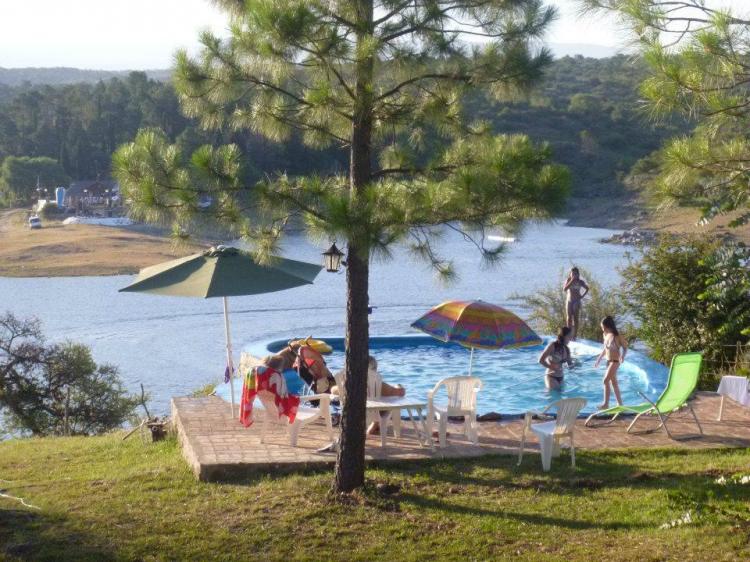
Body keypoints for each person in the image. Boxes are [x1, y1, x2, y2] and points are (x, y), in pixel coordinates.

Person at [331, 355, 405, 434]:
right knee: (391, 403)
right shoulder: (378, 384)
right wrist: (399, 387)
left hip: (352, 414)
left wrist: (341, 386)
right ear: (374, 371)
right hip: (372, 414)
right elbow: (399, 392)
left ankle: (372, 424)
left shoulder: (348, 384)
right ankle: (375, 423)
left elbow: (332, 390)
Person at [594, 315, 628, 409]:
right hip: (608, 362)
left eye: (602, 326)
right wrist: (599, 359)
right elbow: (605, 349)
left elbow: (625, 347)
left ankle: (606, 404)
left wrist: (622, 356)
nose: (601, 328)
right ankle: (620, 404)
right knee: (614, 383)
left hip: (615, 361)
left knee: (605, 381)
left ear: (606, 326)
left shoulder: (617, 336)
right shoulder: (605, 335)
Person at [563, 267, 589, 340]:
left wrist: (582, 296)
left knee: (575, 319)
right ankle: (569, 335)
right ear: (570, 274)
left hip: (576, 301)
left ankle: (574, 336)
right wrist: (571, 281)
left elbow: (587, 288)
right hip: (569, 300)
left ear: (578, 274)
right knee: (569, 318)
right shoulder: (568, 280)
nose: (574, 275)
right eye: (572, 273)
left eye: (575, 273)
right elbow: (564, 289)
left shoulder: (580, 282)